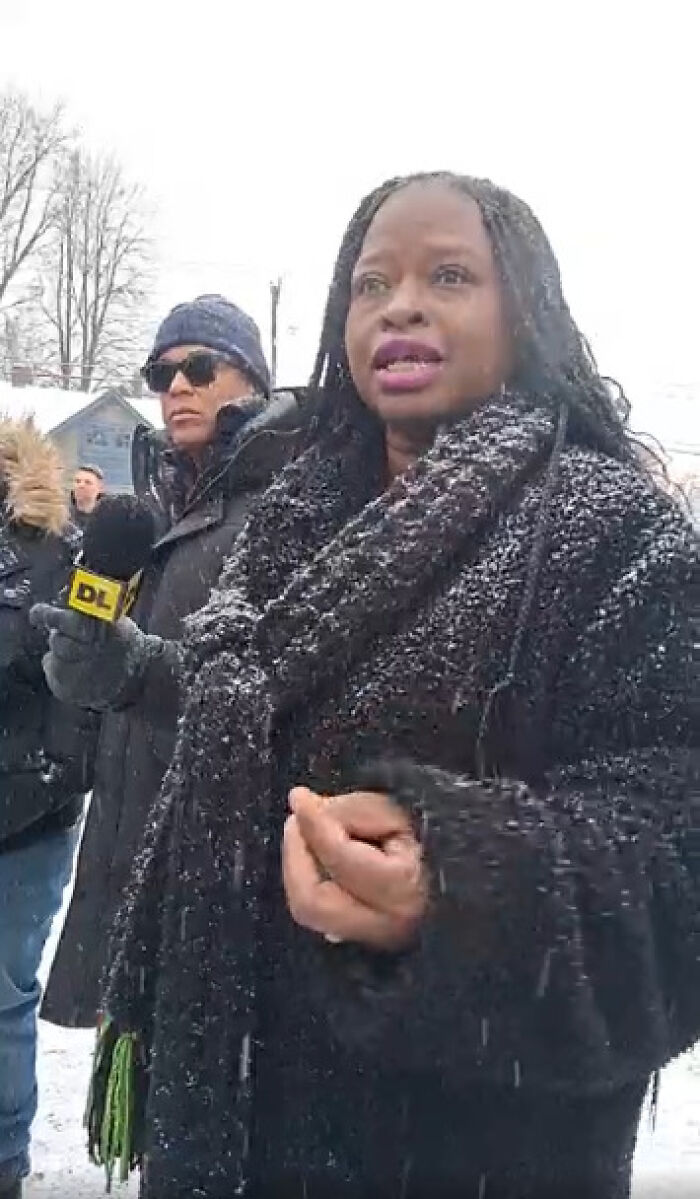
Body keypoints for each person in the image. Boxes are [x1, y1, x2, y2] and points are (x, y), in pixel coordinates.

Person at [93, 178, 696, 1199]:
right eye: (370, 282)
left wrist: (457, 886)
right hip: (239, 1124)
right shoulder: (287, 522)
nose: (400, 305)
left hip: (474, 1149)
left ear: (528, 311)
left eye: (448, 275)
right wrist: (145, 672)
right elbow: (256, 709)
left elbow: (677, 840)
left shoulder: (616, 532)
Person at [33, 294, 303, 1029]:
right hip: (134, 839)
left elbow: (285, 688)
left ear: (252, 379)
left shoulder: (291, 507)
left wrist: (136, 670)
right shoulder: (157, 508)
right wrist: (80, 670)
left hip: (224, 869)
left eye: (199, 366)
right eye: (161, 371)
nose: (175, 386)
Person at [0, 417, 95, 1199]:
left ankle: (3, 1160)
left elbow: (75, 686)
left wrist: (47, 780)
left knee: (1, 998)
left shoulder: (49, 547)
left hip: (26, 817)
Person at [70, 463, 104, 529]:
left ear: (100, 488)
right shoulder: (62, 518)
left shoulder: (108, 518)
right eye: (77, 481)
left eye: (88, 482)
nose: (81, 485)